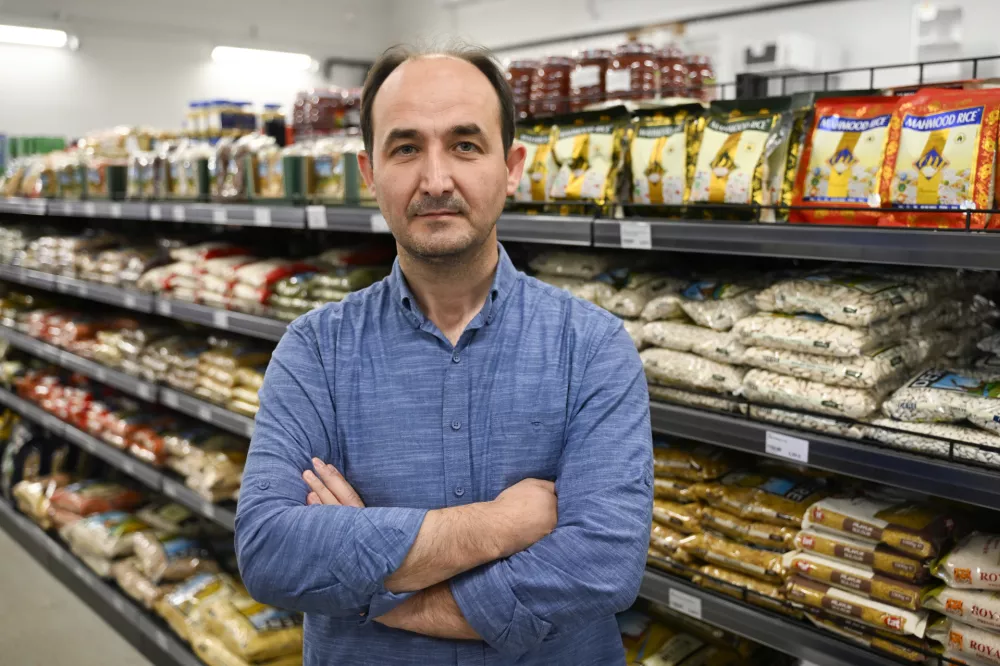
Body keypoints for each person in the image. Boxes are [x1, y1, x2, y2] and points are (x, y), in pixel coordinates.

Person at [235, 43, 653, 665]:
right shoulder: (314, 350)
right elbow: (270, 550)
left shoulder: (592, 347)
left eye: (465, 145)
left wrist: (384, 596)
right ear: (369, 173)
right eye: (406, 148)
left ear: (511, 167)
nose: (435, 180)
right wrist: (501, 525)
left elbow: (603, 564)